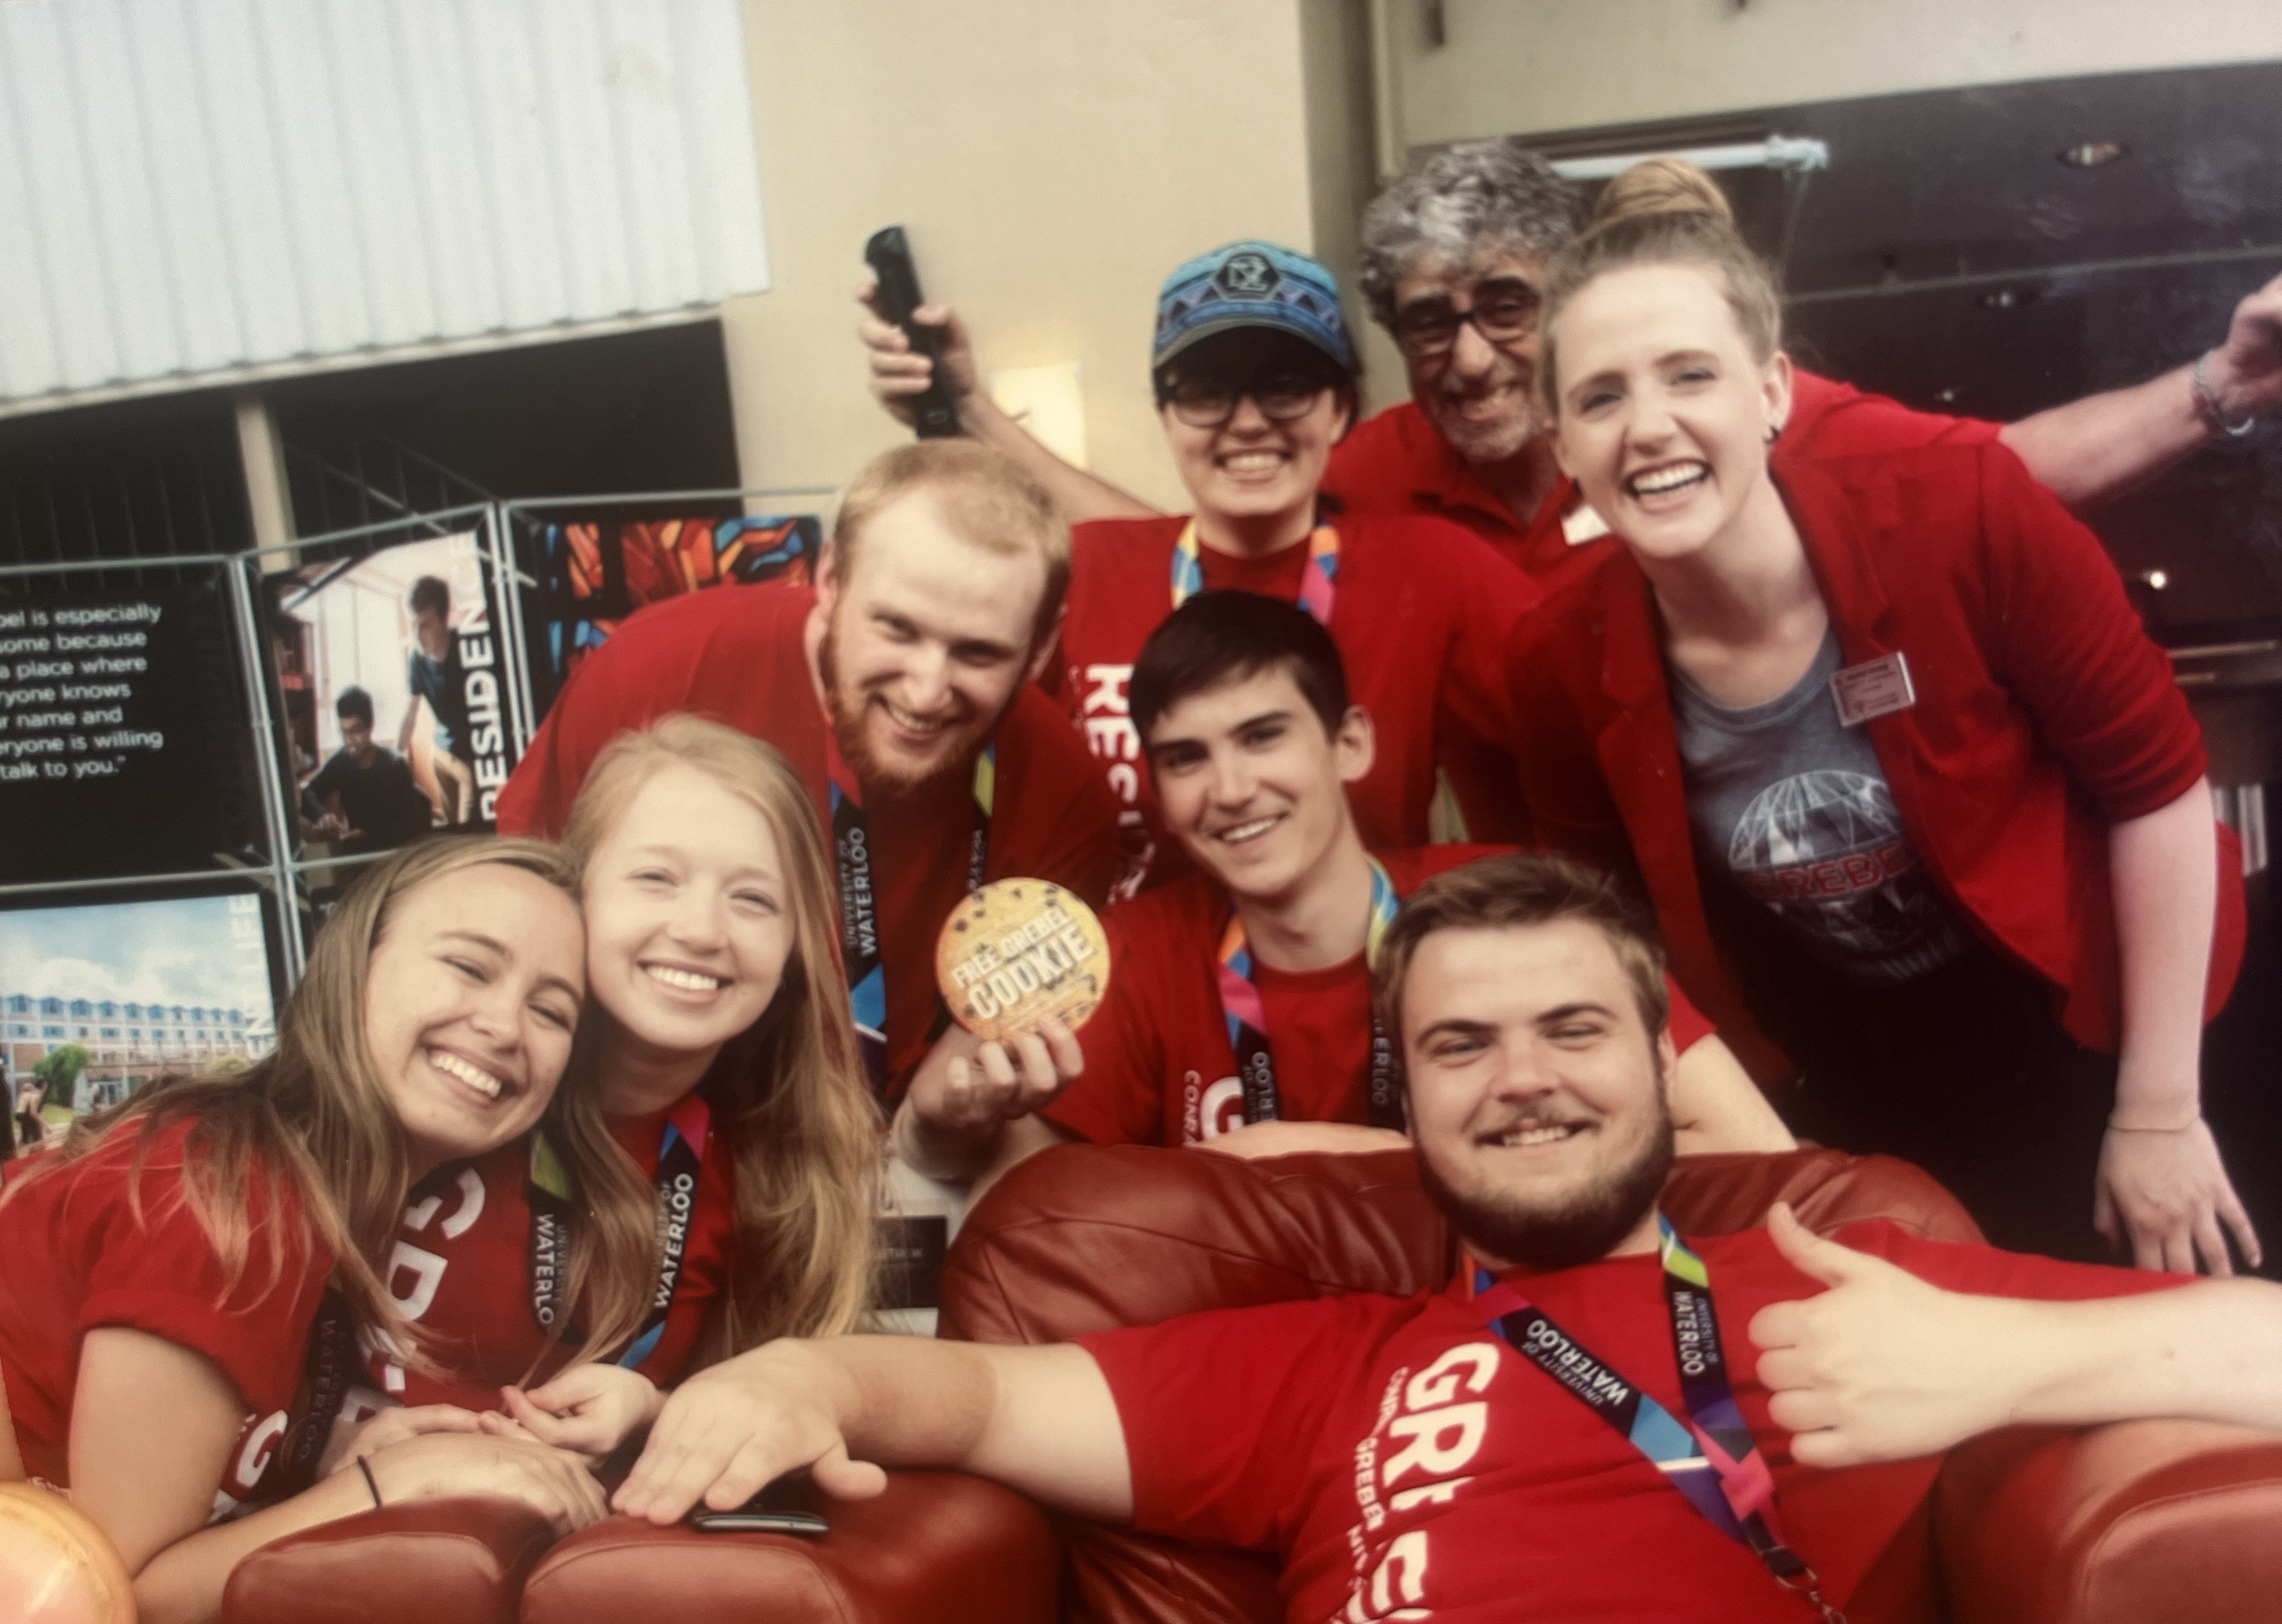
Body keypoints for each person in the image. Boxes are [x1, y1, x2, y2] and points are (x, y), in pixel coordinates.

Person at [596, 853, 2282, 1624]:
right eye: (1461, 1046)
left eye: (1572, 1029)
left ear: (1656, 1065)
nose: (1523, 1077)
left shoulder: (1849, 1273)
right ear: (1410, 1101)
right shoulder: (1339, 1359)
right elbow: (971, 1405)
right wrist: (798, 1374)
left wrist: (2007, 1356)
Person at [1505, 205, 2255, 1273]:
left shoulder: (1961, 511)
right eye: (1600, 397)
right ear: (1562, 448)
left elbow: (2158, 790)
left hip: (2120, 1004)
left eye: (1688, 375)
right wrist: (1757, 1141)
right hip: (1861, 1073)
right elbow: (1604, 933)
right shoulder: (1554, 658)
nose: (1648, 426)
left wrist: (2156, 1114)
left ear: (1770, 394)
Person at [857, 141, 2282, 592]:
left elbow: (1993, 474)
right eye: (1427, 320)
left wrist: (2217, 386)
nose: (1468, 356)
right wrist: (975, 413)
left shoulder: (1692, 410)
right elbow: (1174, 535)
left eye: (1504, 306)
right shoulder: (1377, 471)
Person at [897, 592, 1791, 1186]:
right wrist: (940, 1128)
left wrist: (1313, 1157)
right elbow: (1026, 1206)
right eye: (1186, 759)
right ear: (1160, 796)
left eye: (1262, 736)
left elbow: (1755, 1149)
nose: (1231, 788)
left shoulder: (1511, 906)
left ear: (1349, 744)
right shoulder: (1127, 952)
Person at [0, 839, 621, 1624]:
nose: (504, 1025)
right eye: (469, 966)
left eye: (551, 1010)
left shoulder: (328, 1195)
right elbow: (119, 1598)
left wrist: (331, 1463)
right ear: (353, 963)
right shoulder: (227, 1194)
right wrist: (390, 1483)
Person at [498, 440, 1121, 1103]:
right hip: (636, 1114)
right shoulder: (657, 668)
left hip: (876, 1140)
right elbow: (524, 905)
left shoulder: (1065, 789)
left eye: (978, 652)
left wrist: (941, 1129)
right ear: (830, 580)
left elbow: (983, 1048)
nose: (926, 690)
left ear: (1043, 642)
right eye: (898, 629)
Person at [331, 717, 880, 1446]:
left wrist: (656, 1413)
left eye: (754, 899)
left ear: (793, 951)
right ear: (574, 891)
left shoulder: (781, 1177)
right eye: (656, 877)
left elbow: (767, 1426)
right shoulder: (446, 1074)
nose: (702, 929)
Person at [1028, 240, 1539, 881]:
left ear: (1339, 410)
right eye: (1206, 391)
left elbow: (1596, 719)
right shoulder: (1085, 568)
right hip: (1139, 968)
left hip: (1357, 963)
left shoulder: (1428, 569)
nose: (1246, 422)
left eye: (1285, 387)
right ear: (1166, 415)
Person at [303, 686, 434, 849]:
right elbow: (309, 792)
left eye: (356, 731)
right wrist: (324, 815)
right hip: (360, 849)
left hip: (393, 852)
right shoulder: (342, 762)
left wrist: (368, 837)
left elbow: (409, 830)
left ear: (370, 726)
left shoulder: (395, 766)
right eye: (344, 732)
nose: (350, 741)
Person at [401, 575, 478, 826]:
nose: (417, 635)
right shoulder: (416, 660)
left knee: (471, 832)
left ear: (445, 620)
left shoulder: (468, 648)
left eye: (425, 625)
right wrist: (394, 759)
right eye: (413, 626)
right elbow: (410, 715)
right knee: (451, 829)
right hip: (440, 755)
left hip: (470, 759)